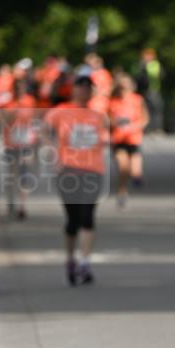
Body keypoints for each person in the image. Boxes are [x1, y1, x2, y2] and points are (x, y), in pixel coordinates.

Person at [44, 74, 109, 285]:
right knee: (72, 220)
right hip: (68, 170)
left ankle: (85, 261)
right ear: (73, 90)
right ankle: (71, 259)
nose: (83, 91)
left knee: (87, 215)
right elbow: (43, 130)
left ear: (92, 91)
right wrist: (54, 150)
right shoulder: (61, 111)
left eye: (87, 88)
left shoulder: (99, 113)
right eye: (80, 87)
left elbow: (108, 135)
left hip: (92, 170)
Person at [0, 77, 38, 219]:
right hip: (11, 142)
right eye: (18, 87)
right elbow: (2, 121)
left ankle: (22, 206)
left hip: (26, 141)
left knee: (24, 174)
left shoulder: (30, 101)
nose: (21, 90)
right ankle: (10, 202)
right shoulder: (8, 102)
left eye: (23, 87)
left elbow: (33, 119)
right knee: (12, 174)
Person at [108, 74, 148, 206]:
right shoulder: (112, 102)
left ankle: (136, 178)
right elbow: (107, 120)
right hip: (118, 139)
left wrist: (135, 126)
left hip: (134, 138)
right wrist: (115, 123)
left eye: (127, 85)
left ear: (132, 86)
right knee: (123, 167)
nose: (124, 88)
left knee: (135, 171)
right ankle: (122, 192)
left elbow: (145, 119)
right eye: (122, 86)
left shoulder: (138, 100)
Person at [137, 48, 164, 133]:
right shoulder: (143, 65)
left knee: (155, 109)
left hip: (153, 90)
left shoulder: (154, 64)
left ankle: (155, 128)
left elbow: (159, 76)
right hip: (146, 91)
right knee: (147, 110)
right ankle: (148, 128)